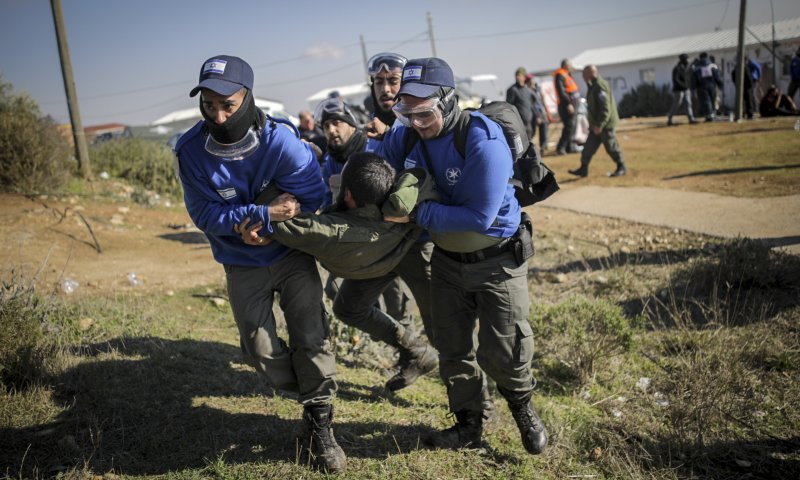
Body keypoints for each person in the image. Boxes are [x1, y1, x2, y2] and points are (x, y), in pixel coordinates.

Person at [174, 55, 346, 473]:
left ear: (247, 97)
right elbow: (204, 214)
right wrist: (260, 216)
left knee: (311, 334)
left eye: (228, 105)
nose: (219, 115)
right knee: (259, 349)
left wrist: (277, 224)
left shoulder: (281, 141)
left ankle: (321, 422)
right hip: (241, 261)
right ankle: (308, 394)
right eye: (209, 105)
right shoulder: (191, 152)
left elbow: (314, 197)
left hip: (291, 255)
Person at [374, 57, 548, 455]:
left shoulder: (482, 140)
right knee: (451, 347)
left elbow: (478, 217)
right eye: (406, 112)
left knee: (504, 349)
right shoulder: (408, 136)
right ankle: (469, 424)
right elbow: (380, 167)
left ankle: (521, 404)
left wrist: (414, 213)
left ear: (448, 101)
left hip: (498, 262)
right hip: (449, 264)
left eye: (424, 112)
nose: (416, 122)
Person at [314, 95, 436, 391]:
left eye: (339, 122)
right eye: (327, 124)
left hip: (411, 240)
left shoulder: (377, 145)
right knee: (347, 306)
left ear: (353, 124)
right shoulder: (328, 161)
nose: (333, 130)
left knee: (440, 320)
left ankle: (476, 405)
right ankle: (415, 352)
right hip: (372, 247)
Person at [238, 152, 437, 281]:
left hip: (356, 267)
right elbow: (421, 178)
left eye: (341, 184)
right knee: (348, 310)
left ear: (348, 194)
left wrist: (304, 157)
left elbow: (273, 213)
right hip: (383, 263)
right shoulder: (405, 212)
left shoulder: (332, 231)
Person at [568, 65, 627, 178]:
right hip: (595, 125)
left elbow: (605, 108)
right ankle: (583, 169)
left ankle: (621, 166)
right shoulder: (593, 85)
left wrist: (600, 124)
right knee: (588, 147)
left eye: (584, 75)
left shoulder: (600, 86)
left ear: (590, 74)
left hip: (604, 125)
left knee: (611, 147)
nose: (583, 77)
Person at [553, 58, 580, 155]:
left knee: (573, 126)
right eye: (570, 64)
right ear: (565, 65)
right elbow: (561, 91)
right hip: (566, 105)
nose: (571, 66)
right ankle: (561, 148)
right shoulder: (560, 74)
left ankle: (571, 146)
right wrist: (568, 104)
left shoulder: (567, 74)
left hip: (574, 104)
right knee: (569, 126)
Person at [506, 67, 537, 142]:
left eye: (519, 75)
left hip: (529, 123)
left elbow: (531, 105)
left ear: (524, 77)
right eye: (516, 75)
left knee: (529, 142)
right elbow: (509, 107)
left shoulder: (527, 90)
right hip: (519, 124)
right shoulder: (512, 90)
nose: (517, 77)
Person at [667, 53, 697, 126]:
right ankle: (670, 119)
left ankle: (691, 119)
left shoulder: (687, 67)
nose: (688, 60)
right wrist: (684, 85)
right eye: (687, 59)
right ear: (683, 60)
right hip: (678, 90)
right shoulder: (677, 68)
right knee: (676, 104)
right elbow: (676, 79)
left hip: (686, 89)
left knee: (688, 104)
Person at [693, 52, 723, 122]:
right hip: (712, 85)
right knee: (712, 100)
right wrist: (720, 84)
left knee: (706, 101)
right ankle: (712, 114)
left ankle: (709, 116)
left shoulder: (697, 67)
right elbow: (717, 76)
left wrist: (693, 88)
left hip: (702, 87)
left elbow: (694, 78)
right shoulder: (712, 65)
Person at [526, 73, 550, 153]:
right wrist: (537, 116)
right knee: (532, 132)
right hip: (535, 114)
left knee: (544, 129)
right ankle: (527, 148)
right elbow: (532, 105)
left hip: (541, 112)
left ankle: (543, 147)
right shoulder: (527, 91)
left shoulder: (536, 89)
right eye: (531, 79)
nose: (533, 81)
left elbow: (540, 101)